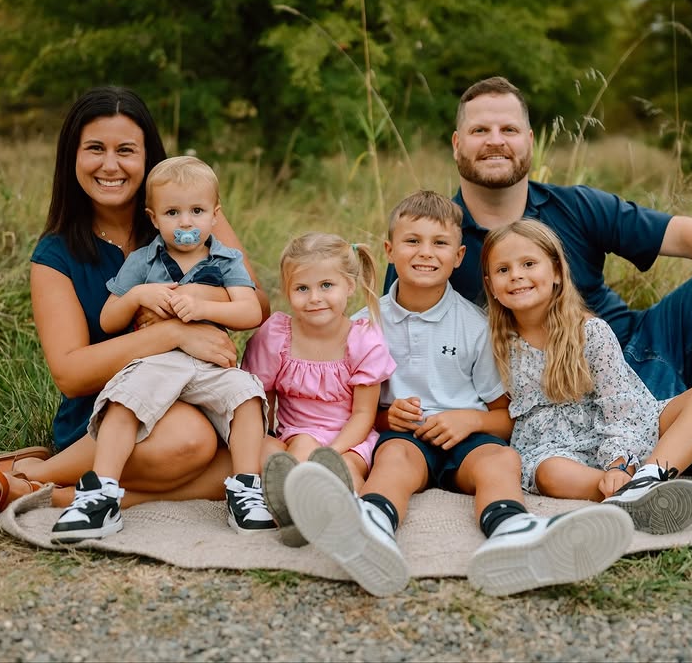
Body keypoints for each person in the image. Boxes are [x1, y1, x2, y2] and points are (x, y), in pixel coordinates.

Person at [385, 75, 692, 487]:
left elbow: (687, 236)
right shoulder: (433, 242)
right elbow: (402, 342)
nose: (495, 141)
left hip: (636, 346)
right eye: (479, 131)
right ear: (457, 144)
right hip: (558, 397)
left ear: (529, 142)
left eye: (509, 129)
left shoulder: (575, 206)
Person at [0, 86, 268, 519]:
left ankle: (37, 487)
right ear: (73, 156)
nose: (110, 165)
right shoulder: (55, 256)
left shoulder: (188, 214)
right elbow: (71, 374)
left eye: (126, 150)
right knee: (190, 441)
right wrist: (173, 333)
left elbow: (258, 302)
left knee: (273, 457)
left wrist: (199, 297)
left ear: (149, 157)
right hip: (110, 411)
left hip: (202, 392)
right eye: (95, 149)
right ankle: (46, 472)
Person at [282, 191, 634, 597]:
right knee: (393, 458)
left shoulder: (476, 326)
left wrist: (471, 420)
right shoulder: (364, 325)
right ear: (389, 251)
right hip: (405, 438)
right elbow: (357, 411)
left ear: (460, 256)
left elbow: (505, 417)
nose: (426, 253)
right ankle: (371, 527)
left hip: (468, 435)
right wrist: (387, 417)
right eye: (412, 241)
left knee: (503, 459)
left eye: (440, 243)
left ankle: (513, 533)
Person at [50, 155, 272, 542]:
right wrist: (137, 295)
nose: (185, 222)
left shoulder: (225, 259)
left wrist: (203, 306)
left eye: (197, 211)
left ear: (215, 215)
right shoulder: (142, 260)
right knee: (123, 400)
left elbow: (251, 309)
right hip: (156, 361)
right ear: (154, 218)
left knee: (247, 395)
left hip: (208, 363)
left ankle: (247, 489)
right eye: (173, 212)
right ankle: (100, 492)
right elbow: (108, 320)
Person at [483, 219, 692, 534]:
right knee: (551, 474)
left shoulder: (590, 332)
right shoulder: (495, 343)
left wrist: (619, 462)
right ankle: (631, 496)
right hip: (554, 447)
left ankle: (648, 478)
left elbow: (620, 405)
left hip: (620, 427)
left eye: (529, 263)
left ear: (556, 272)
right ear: (491, 286)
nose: (516, 275)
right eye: (503, 270)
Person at [241, 233, 396, 546]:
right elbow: (260, 399)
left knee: (347, 471)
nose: (314, 297)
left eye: (327, 285)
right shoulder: (277, 335)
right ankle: (297, 510)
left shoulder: (363, 340)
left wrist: (331, 452)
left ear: (349, 286)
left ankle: (336, 514)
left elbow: (363, 414)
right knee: (266, 454)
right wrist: (267, 437)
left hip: (349, 439)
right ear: (287, 291)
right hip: (293, 432)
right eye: (302, 288)